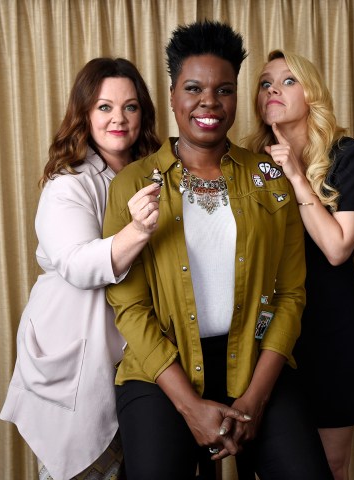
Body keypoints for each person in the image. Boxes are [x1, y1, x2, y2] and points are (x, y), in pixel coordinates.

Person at [103, 21, 333, 480]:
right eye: (193, 88)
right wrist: (189, 407)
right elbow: (128, 305)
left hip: (255, 362)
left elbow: (291, 295)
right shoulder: (133, 182)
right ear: (172, 97)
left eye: (223, 89)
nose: (209, 101)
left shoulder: (270, 180)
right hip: (161, 372)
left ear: (234, 97)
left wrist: (254, 399)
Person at [0, 57, 161, 480]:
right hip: (75, 351)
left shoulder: (155, 172)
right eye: (104, 107)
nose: (118, 119)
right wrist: (139, 229)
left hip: (139, 357)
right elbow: (77, 262)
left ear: (143, 113)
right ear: (85, 113)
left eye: (130, 107)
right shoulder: (67, 183)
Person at [246, 49, 354, 480]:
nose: (273, 91)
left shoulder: (349, 156)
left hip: (331, 328)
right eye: (266, 83)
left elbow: (337, 249)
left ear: (312, 93)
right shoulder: (247, 162)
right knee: (274, 464)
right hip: (266, 331)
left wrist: (298, 176)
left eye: (287, 81)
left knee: (332, 466)